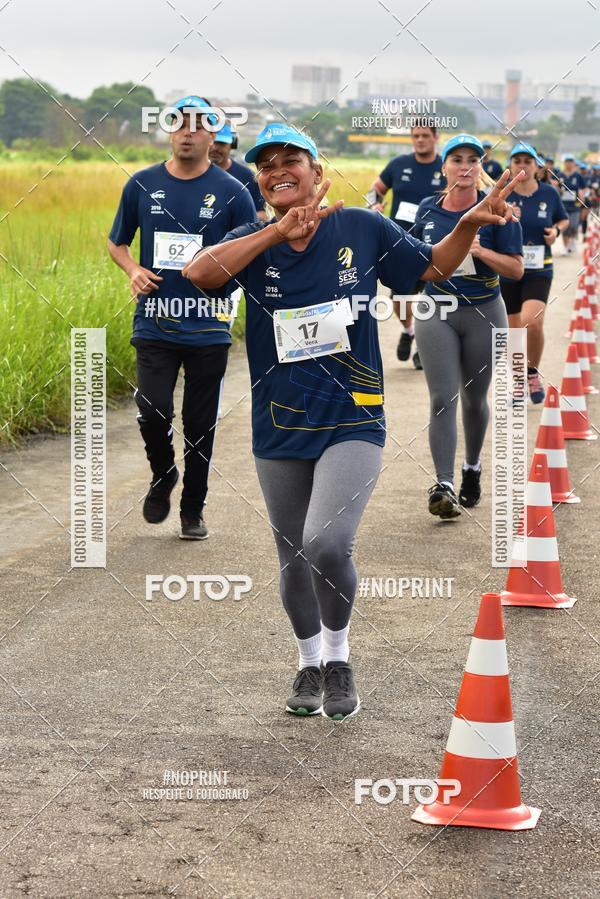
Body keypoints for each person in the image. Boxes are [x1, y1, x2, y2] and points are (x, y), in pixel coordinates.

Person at [184, 122, 523, 719]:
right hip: (279, 422)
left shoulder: (361, 227)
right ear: (260, 180)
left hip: (354, 416)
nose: (279, 170)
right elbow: (200, 275)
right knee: (291, 553)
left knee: (326, 541)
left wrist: (467, 226)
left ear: (318, 172)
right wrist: (271, 234)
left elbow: (432, 270)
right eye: (267, 165)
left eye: (294, 159)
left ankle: (339, 654)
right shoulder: (251, 236)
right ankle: (308, 661)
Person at [108, 95, 256, 539]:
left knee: (199, 423)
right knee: (151, 408)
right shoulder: (141, 183)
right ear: (169, 130)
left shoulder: (234, 193)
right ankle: (162, 474)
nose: (188, 132)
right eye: (180, 123)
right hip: (154, 318)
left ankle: (193, 508)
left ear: (214, 134)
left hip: (209, 324)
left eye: (199, 125)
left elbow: (247, 253)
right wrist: (133, 269)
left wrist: (220, 283)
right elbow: (118, 242)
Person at [412, 134, 524, 519]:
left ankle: (471, 468)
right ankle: (443, 484)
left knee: (475, 399)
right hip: (436, 309)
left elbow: (516, 268)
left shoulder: (497, 209)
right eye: (456, 159)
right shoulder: (427, 209)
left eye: (472, 159)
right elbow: (410, 258)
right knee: (442, 397)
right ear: (443, 167)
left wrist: (480, 250)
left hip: (483, 311)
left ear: (481, 169)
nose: (464, 166)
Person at [368, 121, 446, 368]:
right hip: (399, 241)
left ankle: (424, 344)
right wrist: (374, 204)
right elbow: (375, 190)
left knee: (432, 299)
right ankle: (410, 331)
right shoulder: (398, 165)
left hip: (436, 242)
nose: (420, 140)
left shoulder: (446, 166)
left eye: (425, 135)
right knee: (399, 299)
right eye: (416, 136)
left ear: (435, 137)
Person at [500, 142, 568, 404]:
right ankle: (519, 382)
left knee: (533, 322)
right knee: (513, 331)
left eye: (528, 161)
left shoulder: (549, 194)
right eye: (517, 161)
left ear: (537, 167)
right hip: (508, 269)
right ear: (510, 166)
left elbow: (561, 219)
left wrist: (556, 231)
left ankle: (532, 372)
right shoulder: (503, 194)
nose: (522, 166)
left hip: (540, 268)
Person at [209, 122, 268, 221]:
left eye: (221, 143)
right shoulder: (193, 173)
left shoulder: (247, 176)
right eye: (212, 142)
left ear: (232, 144)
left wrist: (232, 217)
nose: (215, 148)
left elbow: (262, 215)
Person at [559, 154, 586, 253]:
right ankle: (566, 247)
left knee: (573, 226)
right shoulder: (560, 175)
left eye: (571, 162)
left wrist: (582, 196)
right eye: (567, 162)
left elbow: (583, 188)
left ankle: (572, 241)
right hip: (563, 205)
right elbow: (557, 188)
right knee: (565, 226)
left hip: (575, 205)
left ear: (573, 163)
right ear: (564, 163)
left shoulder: (578, 176)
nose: (569, 164)